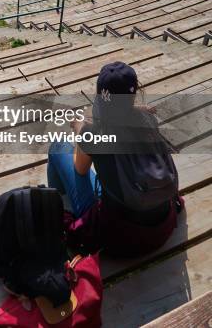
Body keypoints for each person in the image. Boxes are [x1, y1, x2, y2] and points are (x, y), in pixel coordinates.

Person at [47, 62, 183, 257]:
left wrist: (81, 130)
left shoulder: (95, 134)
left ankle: (62, 206)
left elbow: (80, 170)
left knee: (58, 146)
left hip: (119, 241)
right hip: (161, 228)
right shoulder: (148, 118)